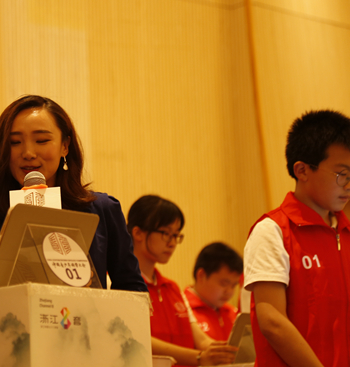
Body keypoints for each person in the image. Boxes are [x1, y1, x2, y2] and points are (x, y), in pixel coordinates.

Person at [0, 95, 147, 292]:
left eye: (42, 140)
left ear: (65, 146)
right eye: (15, 142)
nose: (28, 153)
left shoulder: (102, 210)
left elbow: (133, 289)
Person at [243, 109, 350, 367]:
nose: (349, 185)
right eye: (343, 175)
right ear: (302, 170)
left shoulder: (346, 232)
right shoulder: (273, 231)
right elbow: (273, 322)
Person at [128, 195, 237, 366]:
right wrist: (199, 357)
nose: (172, 243)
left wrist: (230, 352)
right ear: (138, 233)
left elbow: (201, 340)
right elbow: (134, 338)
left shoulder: (172, 288)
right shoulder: (117, 283)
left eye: (176, 235)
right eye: (166, 233)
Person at [184, 242, 242, 341]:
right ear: (201, 275)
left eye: (234, 286)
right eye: (224, 284)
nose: (229, 291)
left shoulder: (233, 313)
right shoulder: (183, 311)